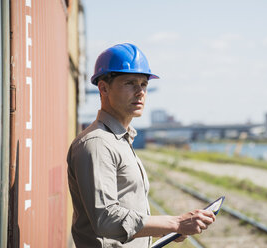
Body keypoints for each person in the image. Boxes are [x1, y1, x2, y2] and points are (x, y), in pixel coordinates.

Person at [67, 43, 216, 248]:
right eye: (130, 83)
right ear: (103, 88)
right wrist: (175, 222)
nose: (140, 92)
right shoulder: (97, 144)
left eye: (144, 84)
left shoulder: (120, 140)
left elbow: (126, 219)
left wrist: (168, 230)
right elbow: (106, 219)